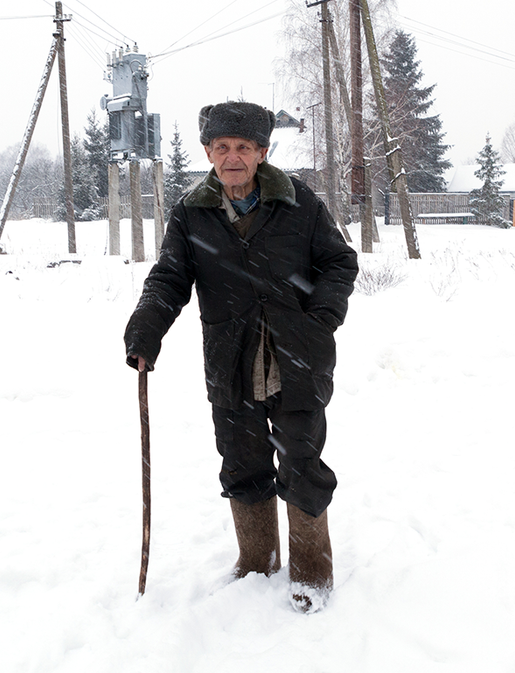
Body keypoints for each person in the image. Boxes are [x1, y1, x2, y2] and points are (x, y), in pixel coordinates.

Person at [124, 100, 358, 612]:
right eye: (223, 147)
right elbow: (169, 278)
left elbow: (340, 262)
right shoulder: (192, 212)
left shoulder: (299, 202)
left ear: (262, 152)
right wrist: (146, 330)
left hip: (297, 356)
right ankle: (257, 562)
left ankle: (313, 571)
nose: (233, 157)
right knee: (242, 460)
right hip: (231, 360)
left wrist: (320, 320)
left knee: (300, 458)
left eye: (244, 148)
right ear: (209, 151)